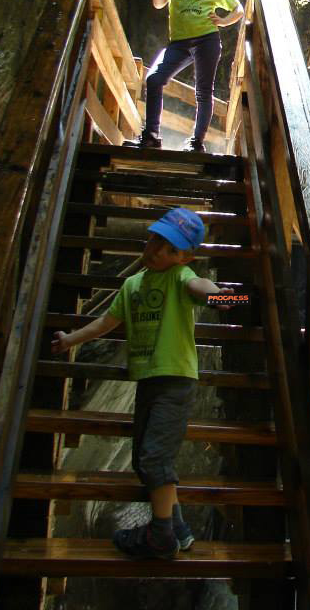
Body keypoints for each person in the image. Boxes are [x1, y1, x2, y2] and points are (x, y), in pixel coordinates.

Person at [51, 207, 229, 559]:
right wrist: (71, 340)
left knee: (154, 459)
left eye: (171, 249)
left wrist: (225, 297)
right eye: (156, 241)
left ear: (184, 258)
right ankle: (178, 530)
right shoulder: (132, 284)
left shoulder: (179, 277)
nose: (158, 251)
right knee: (144, 460)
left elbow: (200, 287)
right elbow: (106, 322)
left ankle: (161, 536)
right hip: (148, 380)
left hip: (175, 380)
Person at [129, 0, 244, 152]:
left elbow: (238, 9)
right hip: (180, 42)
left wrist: (223, 21)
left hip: (207, 40)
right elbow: (158, 3)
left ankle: (196, 142)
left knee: (203, 91)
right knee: (154, 79)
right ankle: (151, 135)